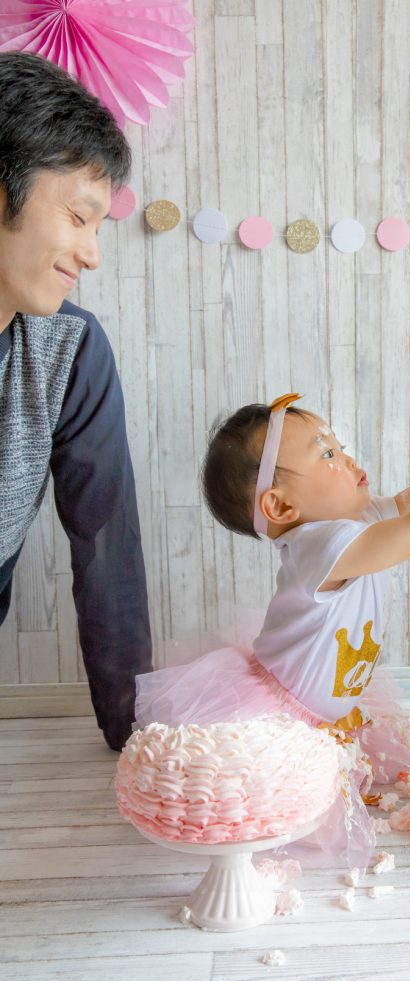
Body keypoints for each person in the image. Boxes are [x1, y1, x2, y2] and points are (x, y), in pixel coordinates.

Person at [135, 393, 410, 861]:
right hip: (282, 717)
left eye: (339, 445)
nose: (348, 457)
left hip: (322, 702)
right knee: (262, 798)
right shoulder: (321, 544)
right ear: (281, 506)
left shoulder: (354, 522)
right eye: (328, 454)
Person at [0, 52, 152, 750]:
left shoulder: (70, 350)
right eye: (78, 217)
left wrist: (138, 737)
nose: (91, 253)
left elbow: (106, 546)